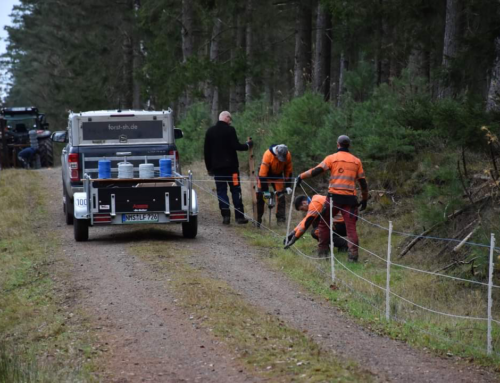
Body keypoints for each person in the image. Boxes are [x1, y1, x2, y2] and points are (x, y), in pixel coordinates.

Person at [295, 135, 368, 262]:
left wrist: (301, 176)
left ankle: (323, 252)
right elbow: (363, 182)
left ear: (338, 144)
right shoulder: (357, 161)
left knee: (323, 224)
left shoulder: (332, 158)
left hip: (334, 199)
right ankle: (353, 257)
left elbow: (316, 171)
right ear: (349, 145)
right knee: (351, 229)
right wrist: (365, 198)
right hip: (351, 199)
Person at [204, 111, 253, 225]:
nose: (230, 122)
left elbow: (207, 152)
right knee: (236, 190)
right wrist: (247, 145)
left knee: (221, 192)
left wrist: (209, 168)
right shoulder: (230, 130)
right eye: (229, 119)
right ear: (226, 118)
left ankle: (226, 216)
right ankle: (239, 217)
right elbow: (236, 146)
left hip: (217, 169)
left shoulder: (210, 131)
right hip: (232, 169)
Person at [257, 144, 293, 225]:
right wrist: (265, 191)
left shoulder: (287, 155)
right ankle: (257, 219)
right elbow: (262, 175)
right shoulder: (267, 155)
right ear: (276, 152)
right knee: (260, 196)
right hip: (265, 176)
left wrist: (288, 186)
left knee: (281, 197)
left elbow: (288, 170)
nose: (281, 160)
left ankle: (281, 220)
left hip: (278, 176)